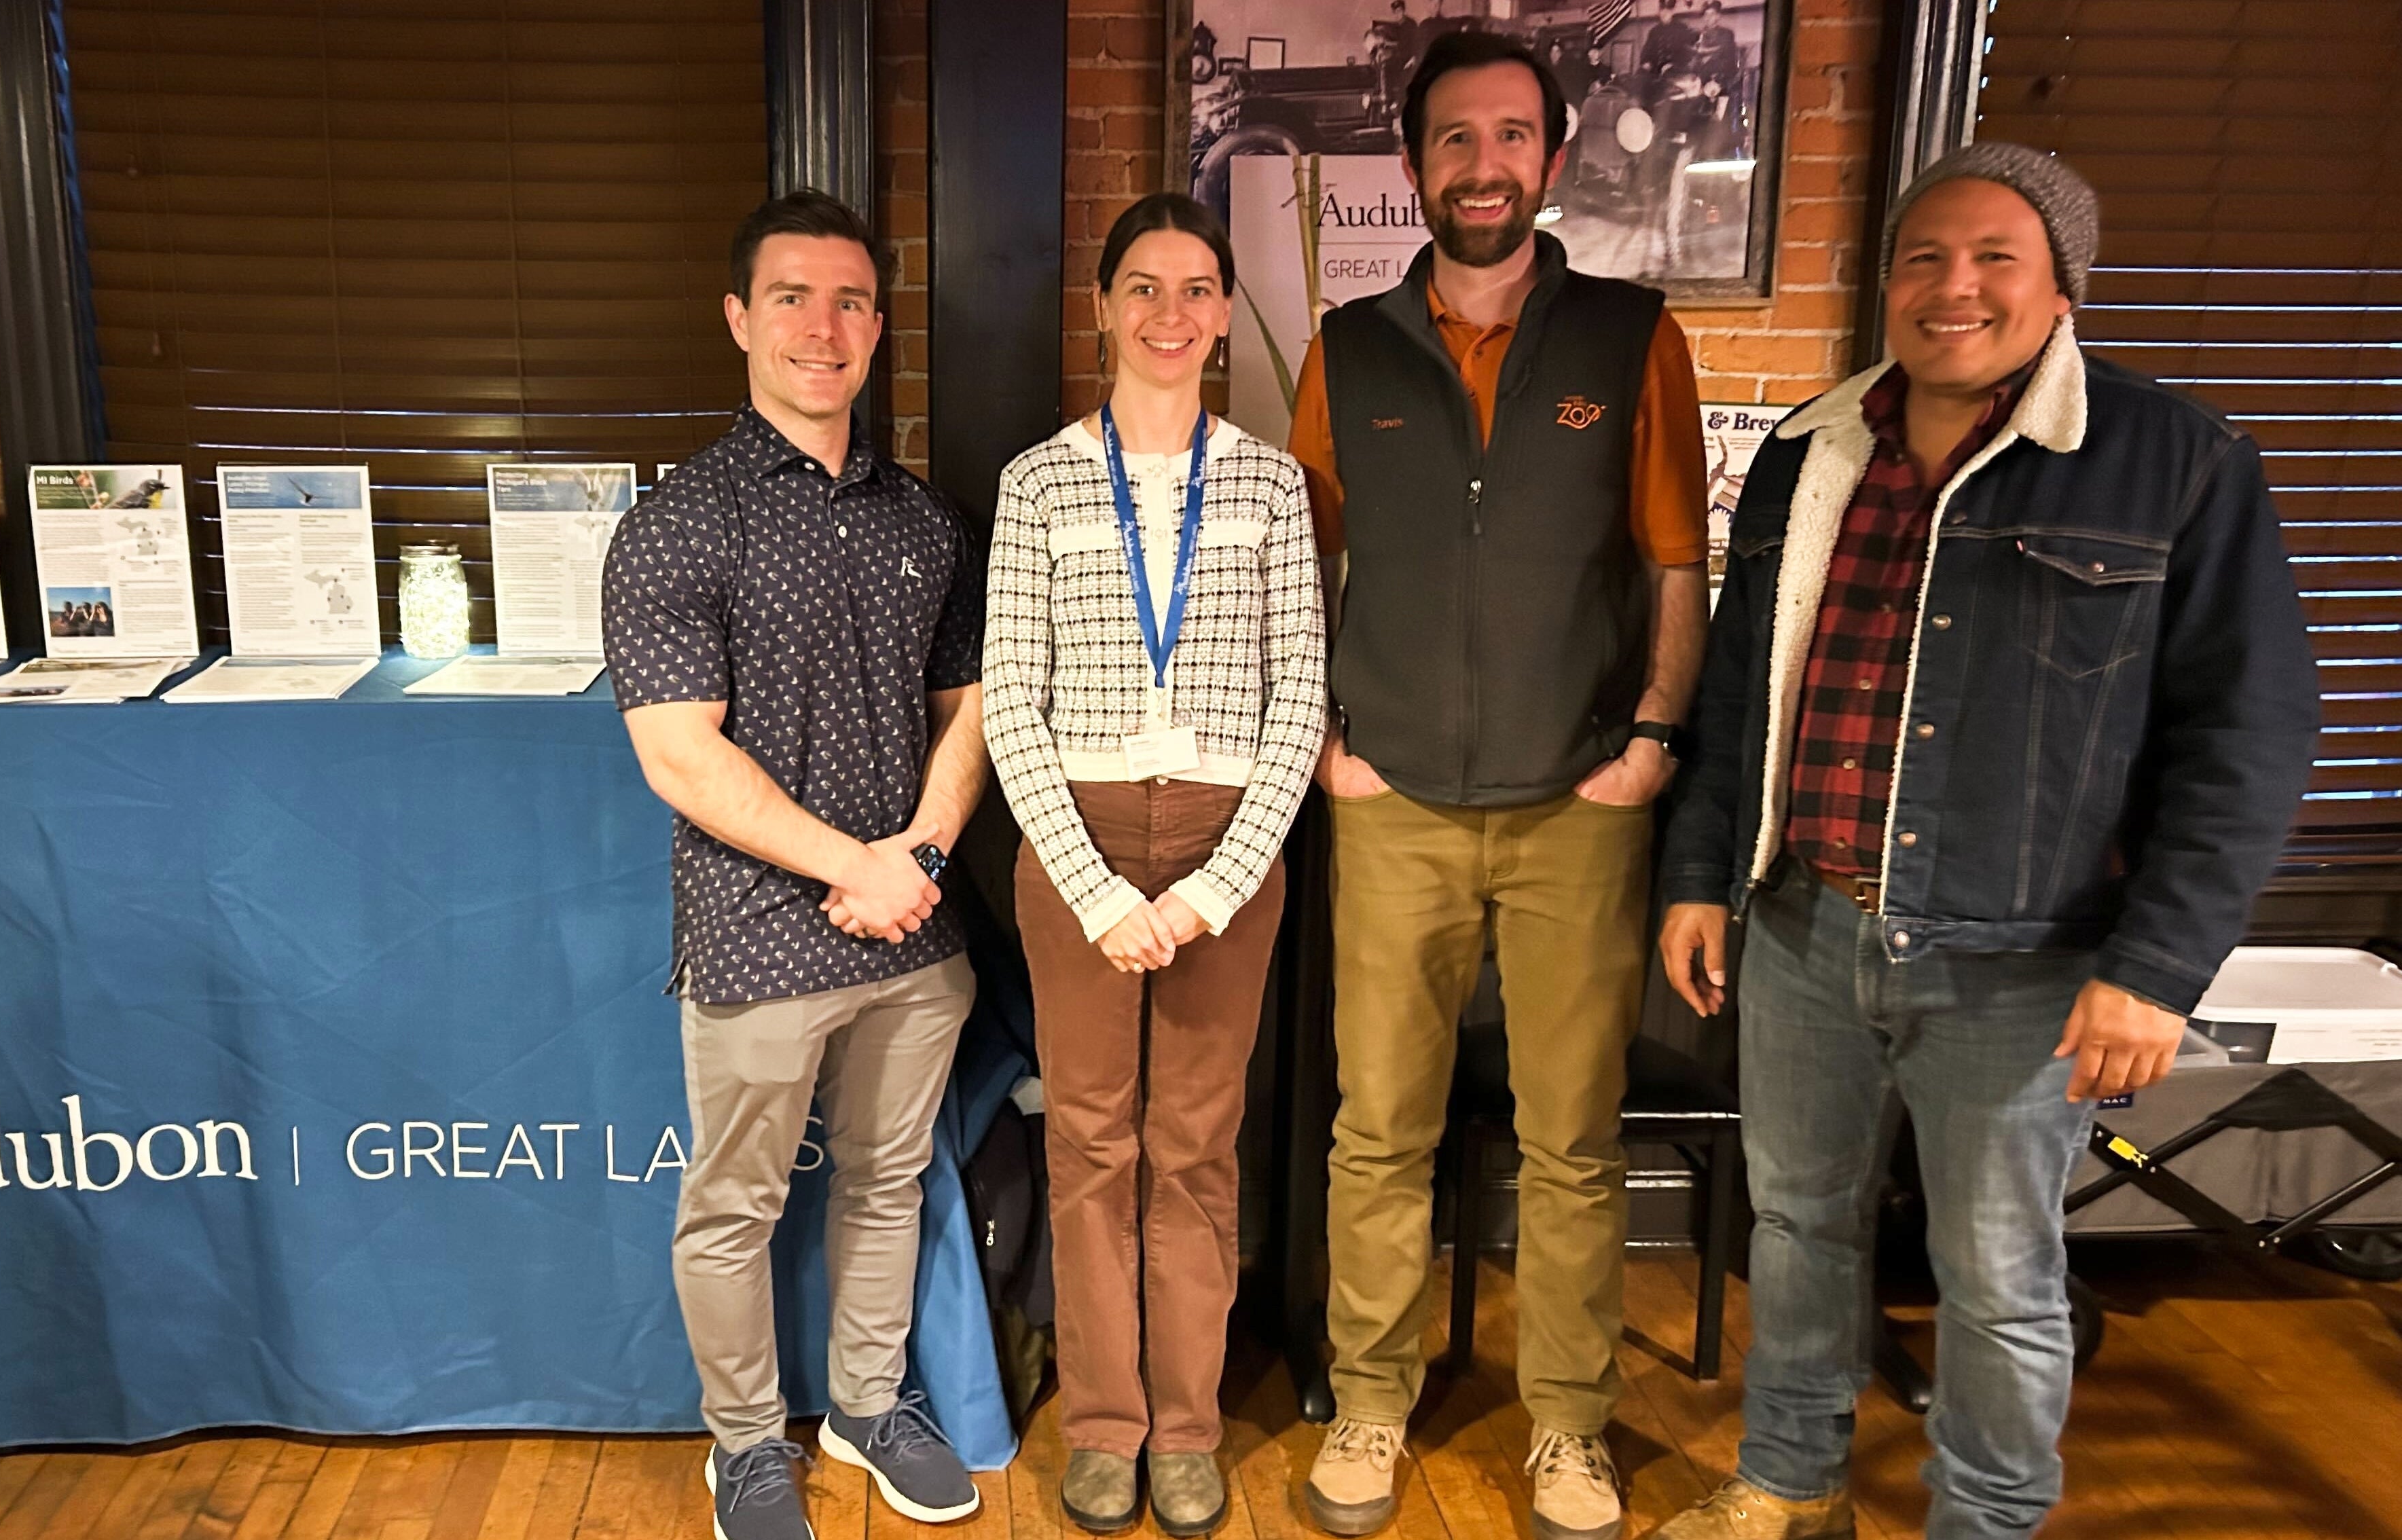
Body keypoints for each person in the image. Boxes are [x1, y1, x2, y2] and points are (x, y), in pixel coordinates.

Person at [1650, 144, 2318, 1539]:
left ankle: (1986, 1520)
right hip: (1800, 928)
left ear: (2063, 284)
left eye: (1994, 258)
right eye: (1924, 258)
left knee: (2000, 1274)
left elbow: (2247, 738)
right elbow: (1738, 687)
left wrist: (2159, 967)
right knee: (1796, 1229)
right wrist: (1702, 878)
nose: (1954, 288)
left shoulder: (2174, 466)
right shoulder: (1810, 448)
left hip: (2024, 966)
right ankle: (1786, 1482)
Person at [1285, 31, 1710, 1540]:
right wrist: (1324, 738)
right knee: (1378, 1128)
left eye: (1511, 137)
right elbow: (1303, 565)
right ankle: (1374, 1404)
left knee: (1572, 1141)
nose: (1483, 165)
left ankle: (1573, 1430)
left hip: (1574, 808)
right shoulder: (1346, 351)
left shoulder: (1631, 338)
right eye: (1454, 140)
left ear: (1553, 156)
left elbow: (1674, 559)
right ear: (1414, 167)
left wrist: (1653, 740)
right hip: (1390, 798)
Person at [604, 188, 992, 1540]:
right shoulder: (679, 523)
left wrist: (923, 855)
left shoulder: (929, 522)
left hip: (914, 935)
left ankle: (871, 1406)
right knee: (737, 1207)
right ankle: (746, 1449)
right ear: (737, 319)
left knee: (891, 1183)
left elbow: (971, 712)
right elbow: (678, 756)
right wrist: (860, 865)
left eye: (849, 301)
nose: (822, 328)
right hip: (761, 936)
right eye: (791, 297)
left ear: (878, 326)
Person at [983, 192, 1326, 1538]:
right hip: (1079, 834)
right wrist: (1098, 888)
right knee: (1088, 1146)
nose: (1169, 314)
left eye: (1194, 289)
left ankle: (1186, 1428)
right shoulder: (1038, 481)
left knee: (1192, 1149)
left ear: (1225, 313)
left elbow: (1301, 698)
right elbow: (1013, 700)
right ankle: (1106, 1426)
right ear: (1104, 307)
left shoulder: (1271, 484)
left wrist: (1205, 890)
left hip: (1223, 846)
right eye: (1143, 287)